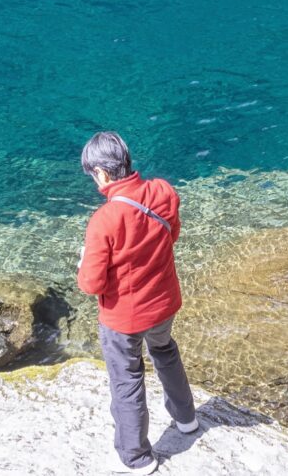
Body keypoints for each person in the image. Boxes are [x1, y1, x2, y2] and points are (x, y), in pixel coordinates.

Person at [76, 131, 199, 472]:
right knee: (165, 351)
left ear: (100, 172)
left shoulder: (104, 220)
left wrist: (84, 261)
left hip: (123, 318)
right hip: (163, 304)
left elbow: (91, 283)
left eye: (92, 175)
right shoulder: (163, 191)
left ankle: (137, 457)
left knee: (127, 378)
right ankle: (187, 419)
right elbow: (170, 234)